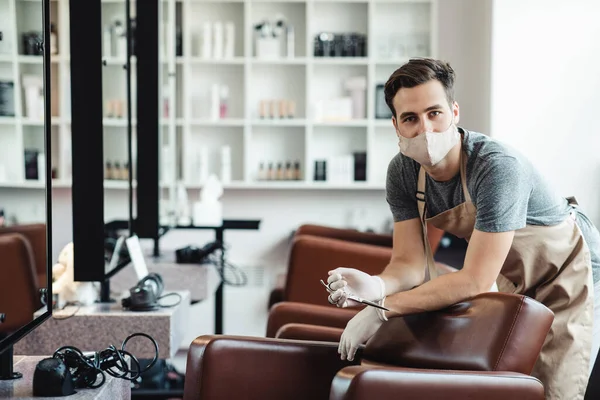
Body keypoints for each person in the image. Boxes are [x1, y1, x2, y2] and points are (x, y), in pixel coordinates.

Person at [325, 58, 600, 400]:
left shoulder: (497, 168)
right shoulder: (403, 173)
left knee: (555, 388)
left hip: (572, 271)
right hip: (512, 274)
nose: (425, 129)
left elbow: (475, 280)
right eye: (410, 118)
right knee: (510, 385)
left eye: (434, 113)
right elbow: (409, 262)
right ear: (396, 125)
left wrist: (383, 308)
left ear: (454, 111)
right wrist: (376, 284)